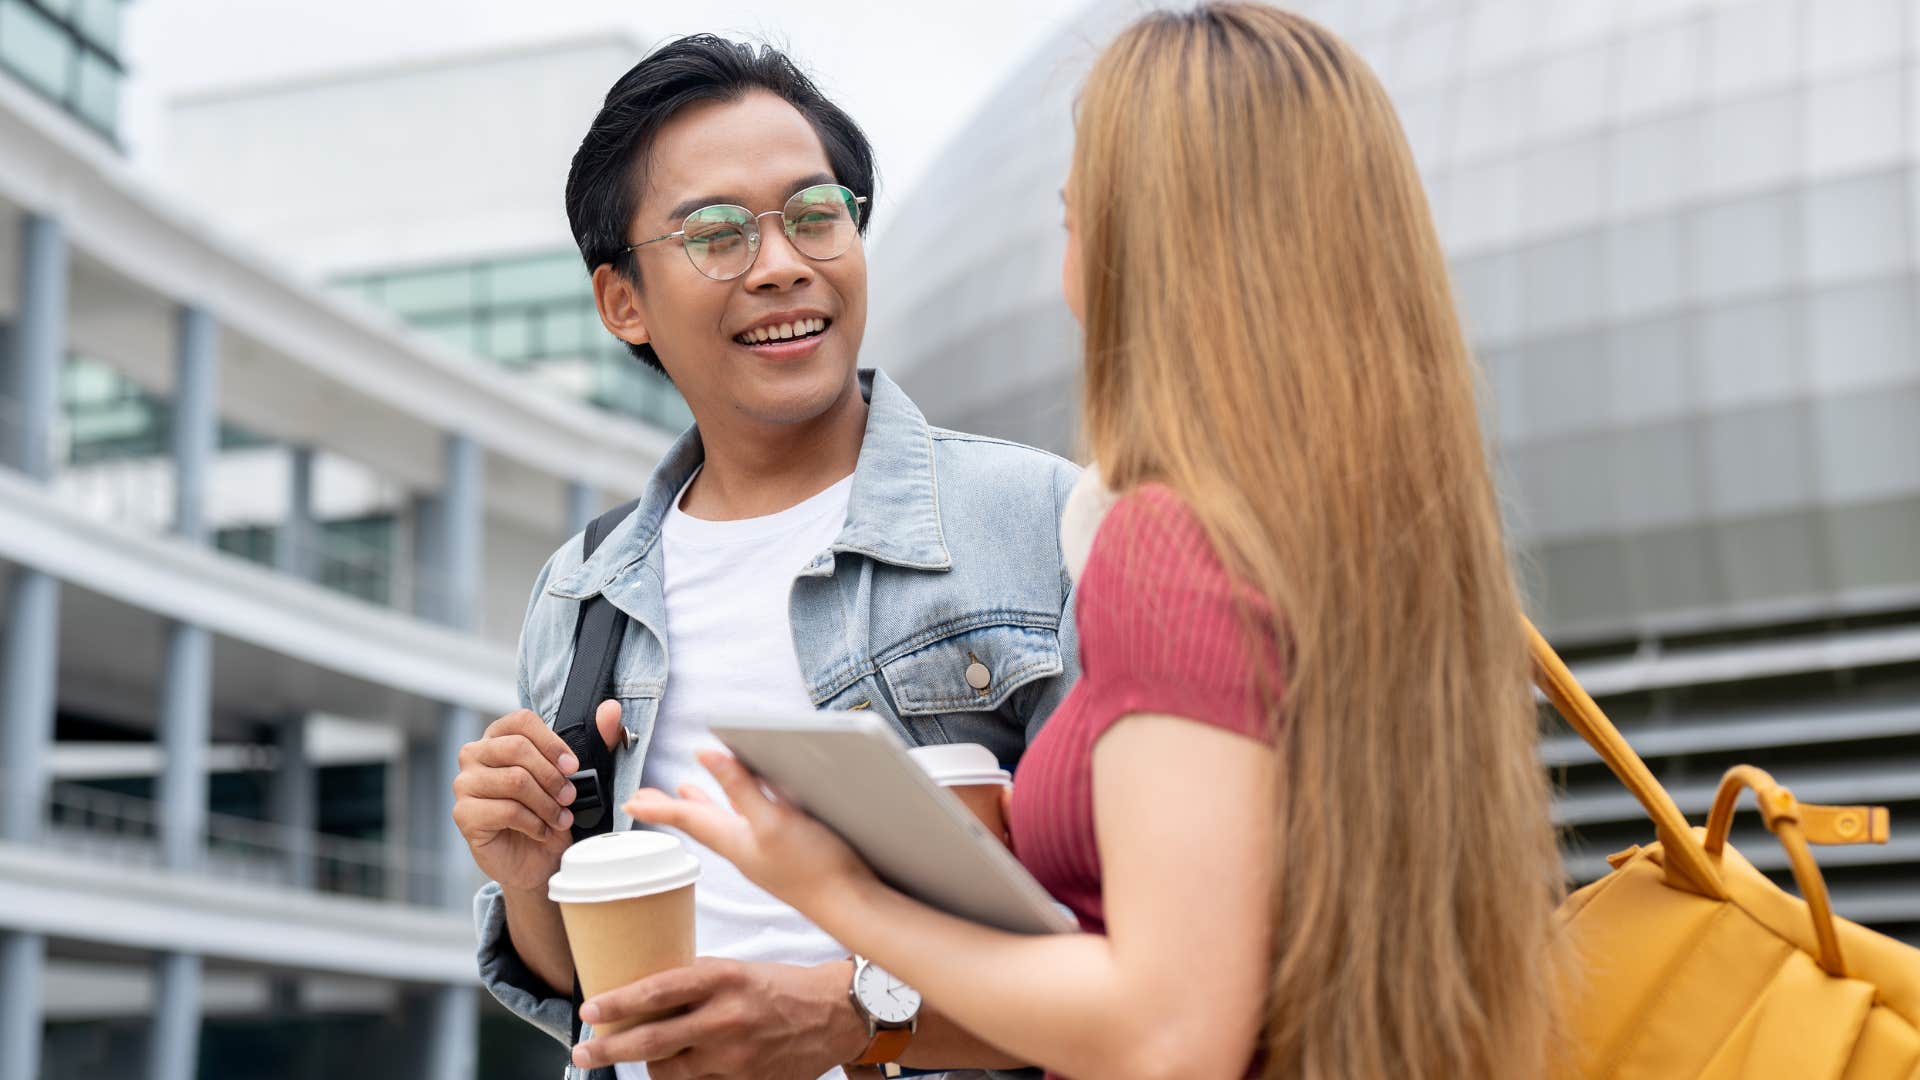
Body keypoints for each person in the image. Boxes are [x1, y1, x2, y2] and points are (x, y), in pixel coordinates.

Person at [617, 6, 1569, 1080]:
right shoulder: (1386, 537)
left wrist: (836, 890)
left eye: (1076, 220)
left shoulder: (1165, 546)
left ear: (1147, 246)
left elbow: (1169, 1035)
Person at [453, 35, 1080, 1080]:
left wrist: (851, 1015)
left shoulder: (1038, 521)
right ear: (624, 303)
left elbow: (1137, 968)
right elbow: (586, 994)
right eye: (717, 233)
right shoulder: (584, 589)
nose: (783, 262)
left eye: (815, 213)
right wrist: (530, 874)